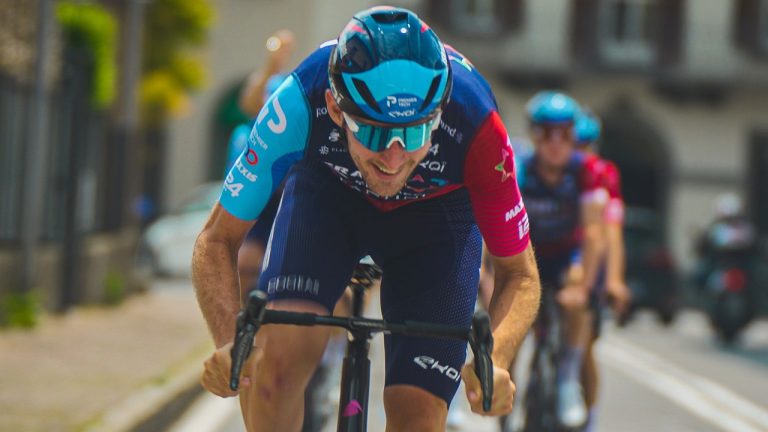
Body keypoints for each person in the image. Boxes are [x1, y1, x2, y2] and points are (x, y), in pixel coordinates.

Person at [192, 6, 541, 431]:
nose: (393, 158)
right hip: (328, 200)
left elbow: (519, 274)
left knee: (418, 416)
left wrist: (497, 360)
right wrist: (231, 345)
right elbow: (216, 239)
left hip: (436, 222)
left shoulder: (477, 123)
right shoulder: (299, 99)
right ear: (336, 110)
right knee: (271, 374)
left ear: (439, 112)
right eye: (374, 132)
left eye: (414, 133)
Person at [514, 91, 607, 429]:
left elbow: (595, 233)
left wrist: (583, 288)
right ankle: (505, 391)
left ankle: (568, 377)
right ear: (533, 134)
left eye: (564, 133)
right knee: (508, 323)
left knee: (575, 289)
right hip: (528, 256)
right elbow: (495, 225)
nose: (555, 142)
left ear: (573, 134)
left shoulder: (587, 171)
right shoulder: (519, 167)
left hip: (568, 257)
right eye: (545, 132)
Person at [573, 109, 631, 432]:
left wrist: (614, 280)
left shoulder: (604, 174)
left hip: (590, 271)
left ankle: (590, 418)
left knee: (584, 350)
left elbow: (612, 231)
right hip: (559, 262)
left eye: (586, 145)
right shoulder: (557, 168)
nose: (580, 152)